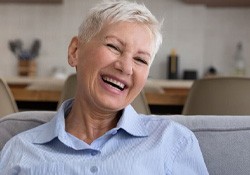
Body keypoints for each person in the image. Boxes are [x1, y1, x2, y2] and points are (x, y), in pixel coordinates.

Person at [0, 0, 208, 174]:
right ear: (75, 51)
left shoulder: (173, 142)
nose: (126, 67)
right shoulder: (20, 151)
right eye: (113, 47)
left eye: (141, 60)